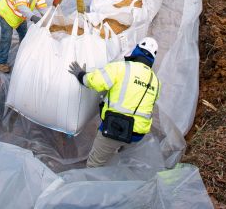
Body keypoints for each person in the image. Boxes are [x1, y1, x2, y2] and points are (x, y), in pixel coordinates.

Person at [68, 37, 161, 167]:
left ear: (136, 50)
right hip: (138, 134)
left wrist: (81, 75)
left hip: (115, 128)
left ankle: (91, 182)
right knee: (117, 153)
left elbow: (96, 82)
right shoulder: (155, 80)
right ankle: (115, 156)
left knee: (94, 165)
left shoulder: (121, 68)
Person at [0, 0, 48, 73]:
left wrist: (49, 17)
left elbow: (42, 7)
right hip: (6, 15)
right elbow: (22, 7)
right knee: (6, 38)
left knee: (25, 36)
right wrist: (33, 17)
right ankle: (1, 62)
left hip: (20, 18)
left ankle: (24, 54)